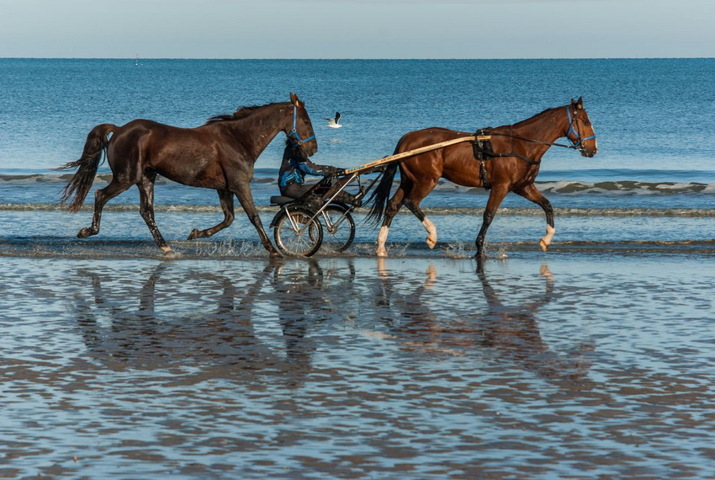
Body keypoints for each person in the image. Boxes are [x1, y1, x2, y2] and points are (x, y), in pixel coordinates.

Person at [278, 141, 363, 206]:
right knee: (320, 196)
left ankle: (352, 199)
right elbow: (309, 169)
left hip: (293, 186)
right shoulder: (294, 150)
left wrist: (335, 170)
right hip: (290, 188)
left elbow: (312, 166)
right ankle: (352, 199)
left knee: (326, 188)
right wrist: (329, 170)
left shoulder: (296, 149)